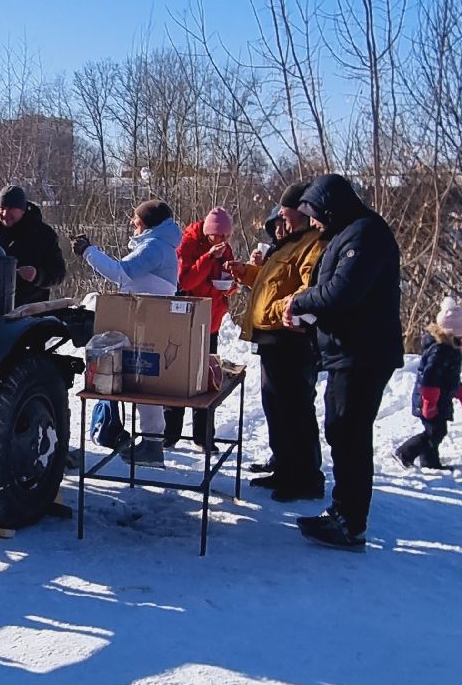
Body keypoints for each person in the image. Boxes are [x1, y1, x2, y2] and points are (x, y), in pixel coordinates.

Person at [283, 172, 404, 549]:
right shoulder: (346, 232)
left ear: (329, 208)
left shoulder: (365, 234)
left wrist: (300, 302)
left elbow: (343, 291)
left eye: (315, 214)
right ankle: (343, 512)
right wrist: (312, 318)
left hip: (363, 353)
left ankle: (350, 522)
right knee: (340, 429)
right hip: (347, 351)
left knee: (350, 433)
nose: (313, 223)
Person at [230, 183, 325, 501]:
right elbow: (271, 283)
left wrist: (286, 308)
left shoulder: (314, 244)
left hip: (292, 337)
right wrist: (246, 273)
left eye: (286, 215)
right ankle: (284, 467)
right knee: (276, 406)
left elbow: (309, 288)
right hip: (272, 337)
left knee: (295, 407)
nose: (280, 222)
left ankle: (306, 477)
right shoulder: (287, 244)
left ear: (303, 213)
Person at [72, 199, 182, 464]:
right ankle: (151, 443)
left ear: (146, 223)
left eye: (136, 219)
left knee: (146, 380)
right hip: (147, 319)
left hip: (148, 322)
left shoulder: (154, 247)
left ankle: (153, 445)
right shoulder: (158, 245)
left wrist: (89, 252)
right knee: (144, 380)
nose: (133, 223)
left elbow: (121, 273)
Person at [163, 206, 238, 450]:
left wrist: (230, 282)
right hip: (188, 319)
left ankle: (204, 437)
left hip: (213, 320)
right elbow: (186, 280)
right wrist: (208, 259)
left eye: (227, 236)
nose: (224, 241)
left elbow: (230, 285)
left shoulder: (225, 248)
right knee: (178, 376)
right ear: (209, 233)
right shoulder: (189, 244)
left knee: (207, 379)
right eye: (220, 236)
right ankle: (170, 432)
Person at [395, 297, 462, 471]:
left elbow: (449, 377)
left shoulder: (450, 349)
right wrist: (429, 402)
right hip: (431, 400)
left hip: (440, 399)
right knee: (435, 432)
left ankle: (430, 462)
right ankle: (405, 452)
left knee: (436, 431)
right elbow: (430, 377)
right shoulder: (441, 350)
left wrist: (459, 391)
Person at [0, 185, 66, 306]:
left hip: (29, 311)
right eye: (2, 208)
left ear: (22, 210)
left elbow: (58, 273)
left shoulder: (43, 235)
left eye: (11, 209)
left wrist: (37, 276)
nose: (5, 213)